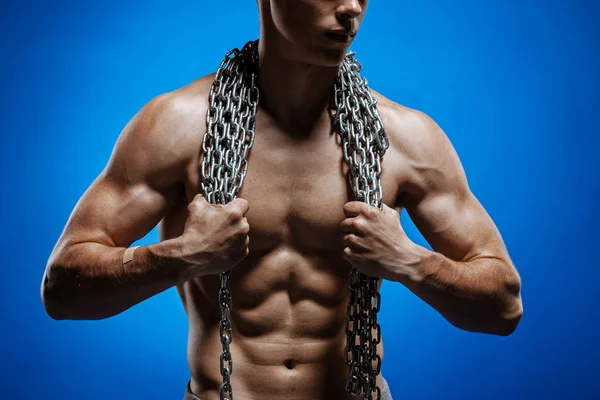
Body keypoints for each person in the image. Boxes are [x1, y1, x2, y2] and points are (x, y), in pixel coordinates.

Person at [40, 1, 523, 399]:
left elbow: (504, 306)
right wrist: (181, 256)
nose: (351, 8)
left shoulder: (405, 141)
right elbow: (61, 289)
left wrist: (411, 262)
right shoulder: (178, 128)